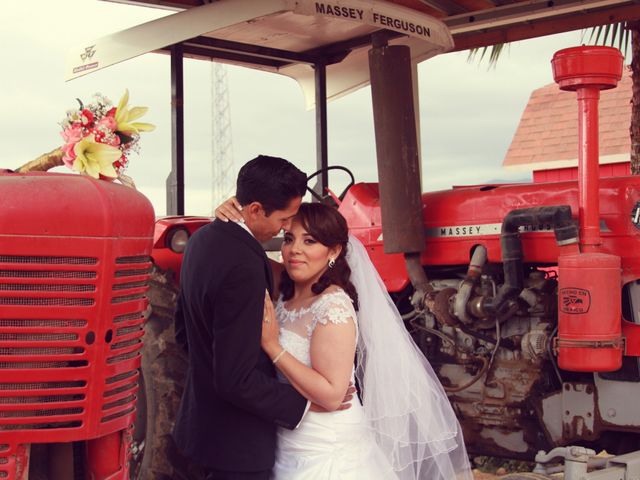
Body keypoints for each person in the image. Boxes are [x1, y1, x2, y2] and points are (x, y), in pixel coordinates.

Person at [215, 200, 474, 479]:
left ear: (334, 251)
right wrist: (224, 219)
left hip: (328, 448)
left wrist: (273, 347)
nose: (294, 250)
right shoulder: (283, 285)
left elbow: (332, 395)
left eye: (310, 241)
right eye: (289, 239)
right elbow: (238, 252)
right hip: (286, 439)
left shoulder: (333, 308)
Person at [173, 155, 312, 480]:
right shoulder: (244, 266)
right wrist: (305, 404)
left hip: (204, 430)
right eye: (284, 218)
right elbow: (235, 380)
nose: (287, 227)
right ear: (254, 210)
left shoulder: (201, 240)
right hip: (238, 445)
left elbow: (184, 333)